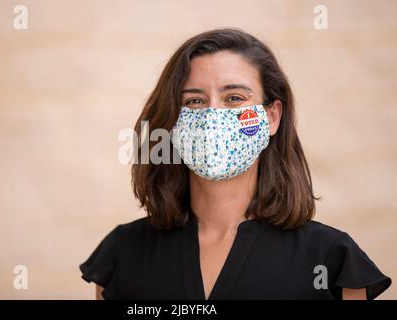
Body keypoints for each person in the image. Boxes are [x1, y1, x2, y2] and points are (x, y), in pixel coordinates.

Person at [80, 28, 391, 300]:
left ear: (272, 116)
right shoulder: (123, 253)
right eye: (194, 101)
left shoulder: (331, 257)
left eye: (234, 98)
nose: (213, 115)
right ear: (172, 123)